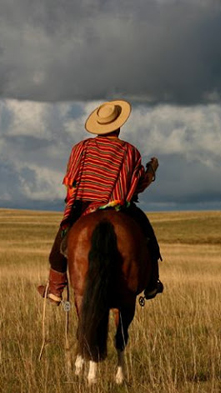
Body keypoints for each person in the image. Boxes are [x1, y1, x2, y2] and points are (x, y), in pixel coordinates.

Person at [37, 99, 164, 304]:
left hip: (84, 207)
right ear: (119, 125)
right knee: (147, 235)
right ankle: (151, 284)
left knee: (61, 242)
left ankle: (55, 289)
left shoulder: (81, 148)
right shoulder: (130, 151)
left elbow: (71, 180)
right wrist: (151, 170)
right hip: (118, 207)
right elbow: (138, 185)